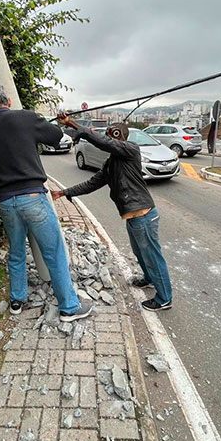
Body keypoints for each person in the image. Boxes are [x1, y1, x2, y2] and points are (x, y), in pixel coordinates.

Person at [0, 84, 91, 321]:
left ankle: (17, 301)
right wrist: (56, 122)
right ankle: (69, 307)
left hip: (6, 202)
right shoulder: (25, 118)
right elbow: (56, 137)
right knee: (54, 252)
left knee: (16, 252)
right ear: (9, 101)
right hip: (33, 198)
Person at [53, 114, 172, 312]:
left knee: (152, 257)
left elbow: (104, 142)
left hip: (143, 215)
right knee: (140, 253)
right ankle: (149, 279)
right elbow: (91, 184)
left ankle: (164, 298)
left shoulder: (130, 149)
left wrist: (72, 124)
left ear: (119, 137)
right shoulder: (111, 164)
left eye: (111, 136)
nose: (107, 140)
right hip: (133, 218)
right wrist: (64, 192)